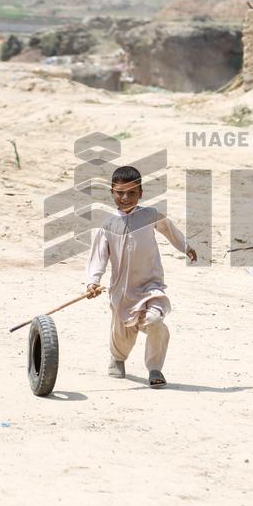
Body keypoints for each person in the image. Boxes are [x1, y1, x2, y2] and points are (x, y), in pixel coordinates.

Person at [86, 165, 197, 388]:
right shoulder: (107, 226)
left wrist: (185, 247)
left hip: (150, 286)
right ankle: (118, 359)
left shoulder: (150, 215)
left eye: (131, 193)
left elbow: (169, 229)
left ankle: (155, 368)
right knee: (122, 334)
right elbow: (98, 257)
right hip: (122, 290)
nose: (125, 198)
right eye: (120, 193)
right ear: (112, 192)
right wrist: (93, 282)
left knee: (155, 320)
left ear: (141, 193)